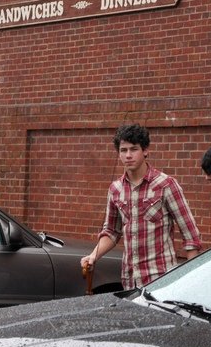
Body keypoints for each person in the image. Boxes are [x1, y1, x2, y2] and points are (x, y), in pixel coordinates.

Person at [81, 124, 202, 290]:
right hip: (130, 280)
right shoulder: (115, 189)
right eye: (123, 150)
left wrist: (192, 279)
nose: (128, 155)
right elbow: (111, 231)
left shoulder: (166, 185)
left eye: (134, 149)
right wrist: (93, 255)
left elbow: (191, 236)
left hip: (161, 278)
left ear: (145, 150)